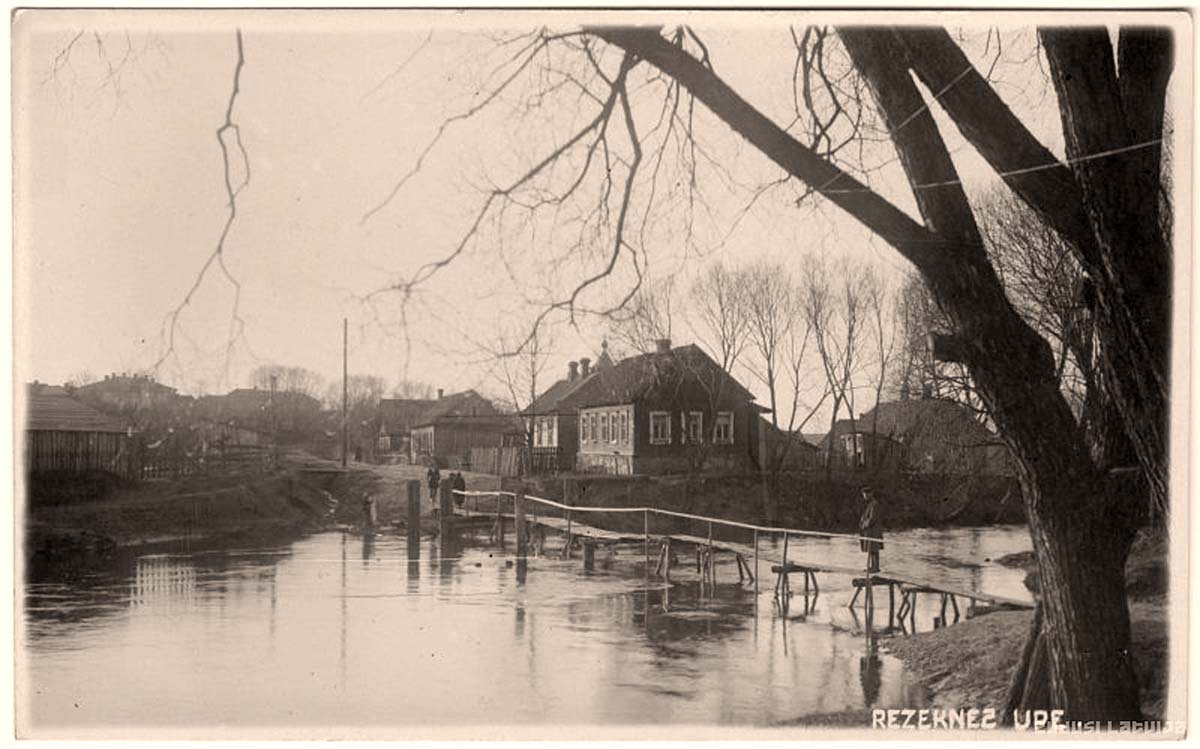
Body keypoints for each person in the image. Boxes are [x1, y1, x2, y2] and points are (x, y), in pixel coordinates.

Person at [859, 485, 884, 573]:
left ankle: (875, 567)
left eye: (866, 494)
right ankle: (873, 566)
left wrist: (864, 525)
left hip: (874, 530)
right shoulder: (871, 504)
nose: (864, 496)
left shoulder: (874, 504)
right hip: (871, 530)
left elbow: (872, 518)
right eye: (864, 494)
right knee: (871, 549)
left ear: (870, 494)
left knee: (874, 549)